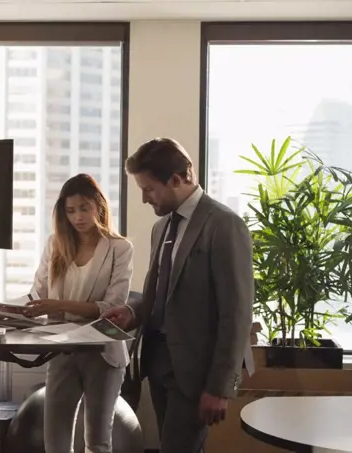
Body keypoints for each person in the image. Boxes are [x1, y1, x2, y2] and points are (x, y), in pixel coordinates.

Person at [103, 138, 254, 453]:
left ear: (176, 179)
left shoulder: (224, 225)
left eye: (148, 189)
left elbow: (236, 313)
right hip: (157, 363)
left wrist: (219, 388)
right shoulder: (162, 228)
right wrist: (132, 313)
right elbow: (159, 294)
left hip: (197, 373)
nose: (145, 199)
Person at [0, 173, 134, 453]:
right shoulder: (55, 244)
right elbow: (38, 295)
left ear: (98, 207)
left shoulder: (119, 248)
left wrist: (60, 305)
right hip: (62, 350)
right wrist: (9, 310)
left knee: (98, 442)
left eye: (84, 208)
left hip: (102, 351)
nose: (78, 217)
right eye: (70, 211)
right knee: (54, 443)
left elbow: (111, 307)